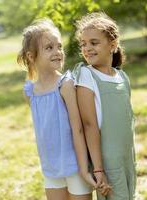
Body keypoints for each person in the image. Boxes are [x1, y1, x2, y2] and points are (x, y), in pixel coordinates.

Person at [17, 18, 94, 200]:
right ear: (31, 56)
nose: (58, 52)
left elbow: (78, 129)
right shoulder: (30, 91)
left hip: (75, 165)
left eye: (59, 46)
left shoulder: (65, 84)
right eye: (49, 48)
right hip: (51, 168)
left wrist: (83, 168)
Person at [74, 12, 137, 200]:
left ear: (113, 45)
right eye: (83, 44)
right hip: (108, 164)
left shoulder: (122, 77)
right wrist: (99, 168)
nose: (87, 49)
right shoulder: (87, 76)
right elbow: (89, 125)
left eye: (94, 43)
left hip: (127, 159)